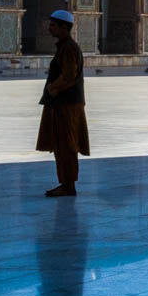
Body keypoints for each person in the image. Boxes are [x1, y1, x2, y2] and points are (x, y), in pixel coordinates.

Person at [36, 10, 91, 196]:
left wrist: (52, 88)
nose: (50, 28)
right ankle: (66, 184)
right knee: (62, 143)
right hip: (65, 103)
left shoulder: (68, 48)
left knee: (67, 144)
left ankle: (68, 185)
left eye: (53, 25)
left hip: (67, 104)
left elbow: (68, 76)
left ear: (64, 28)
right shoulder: (65, 47)